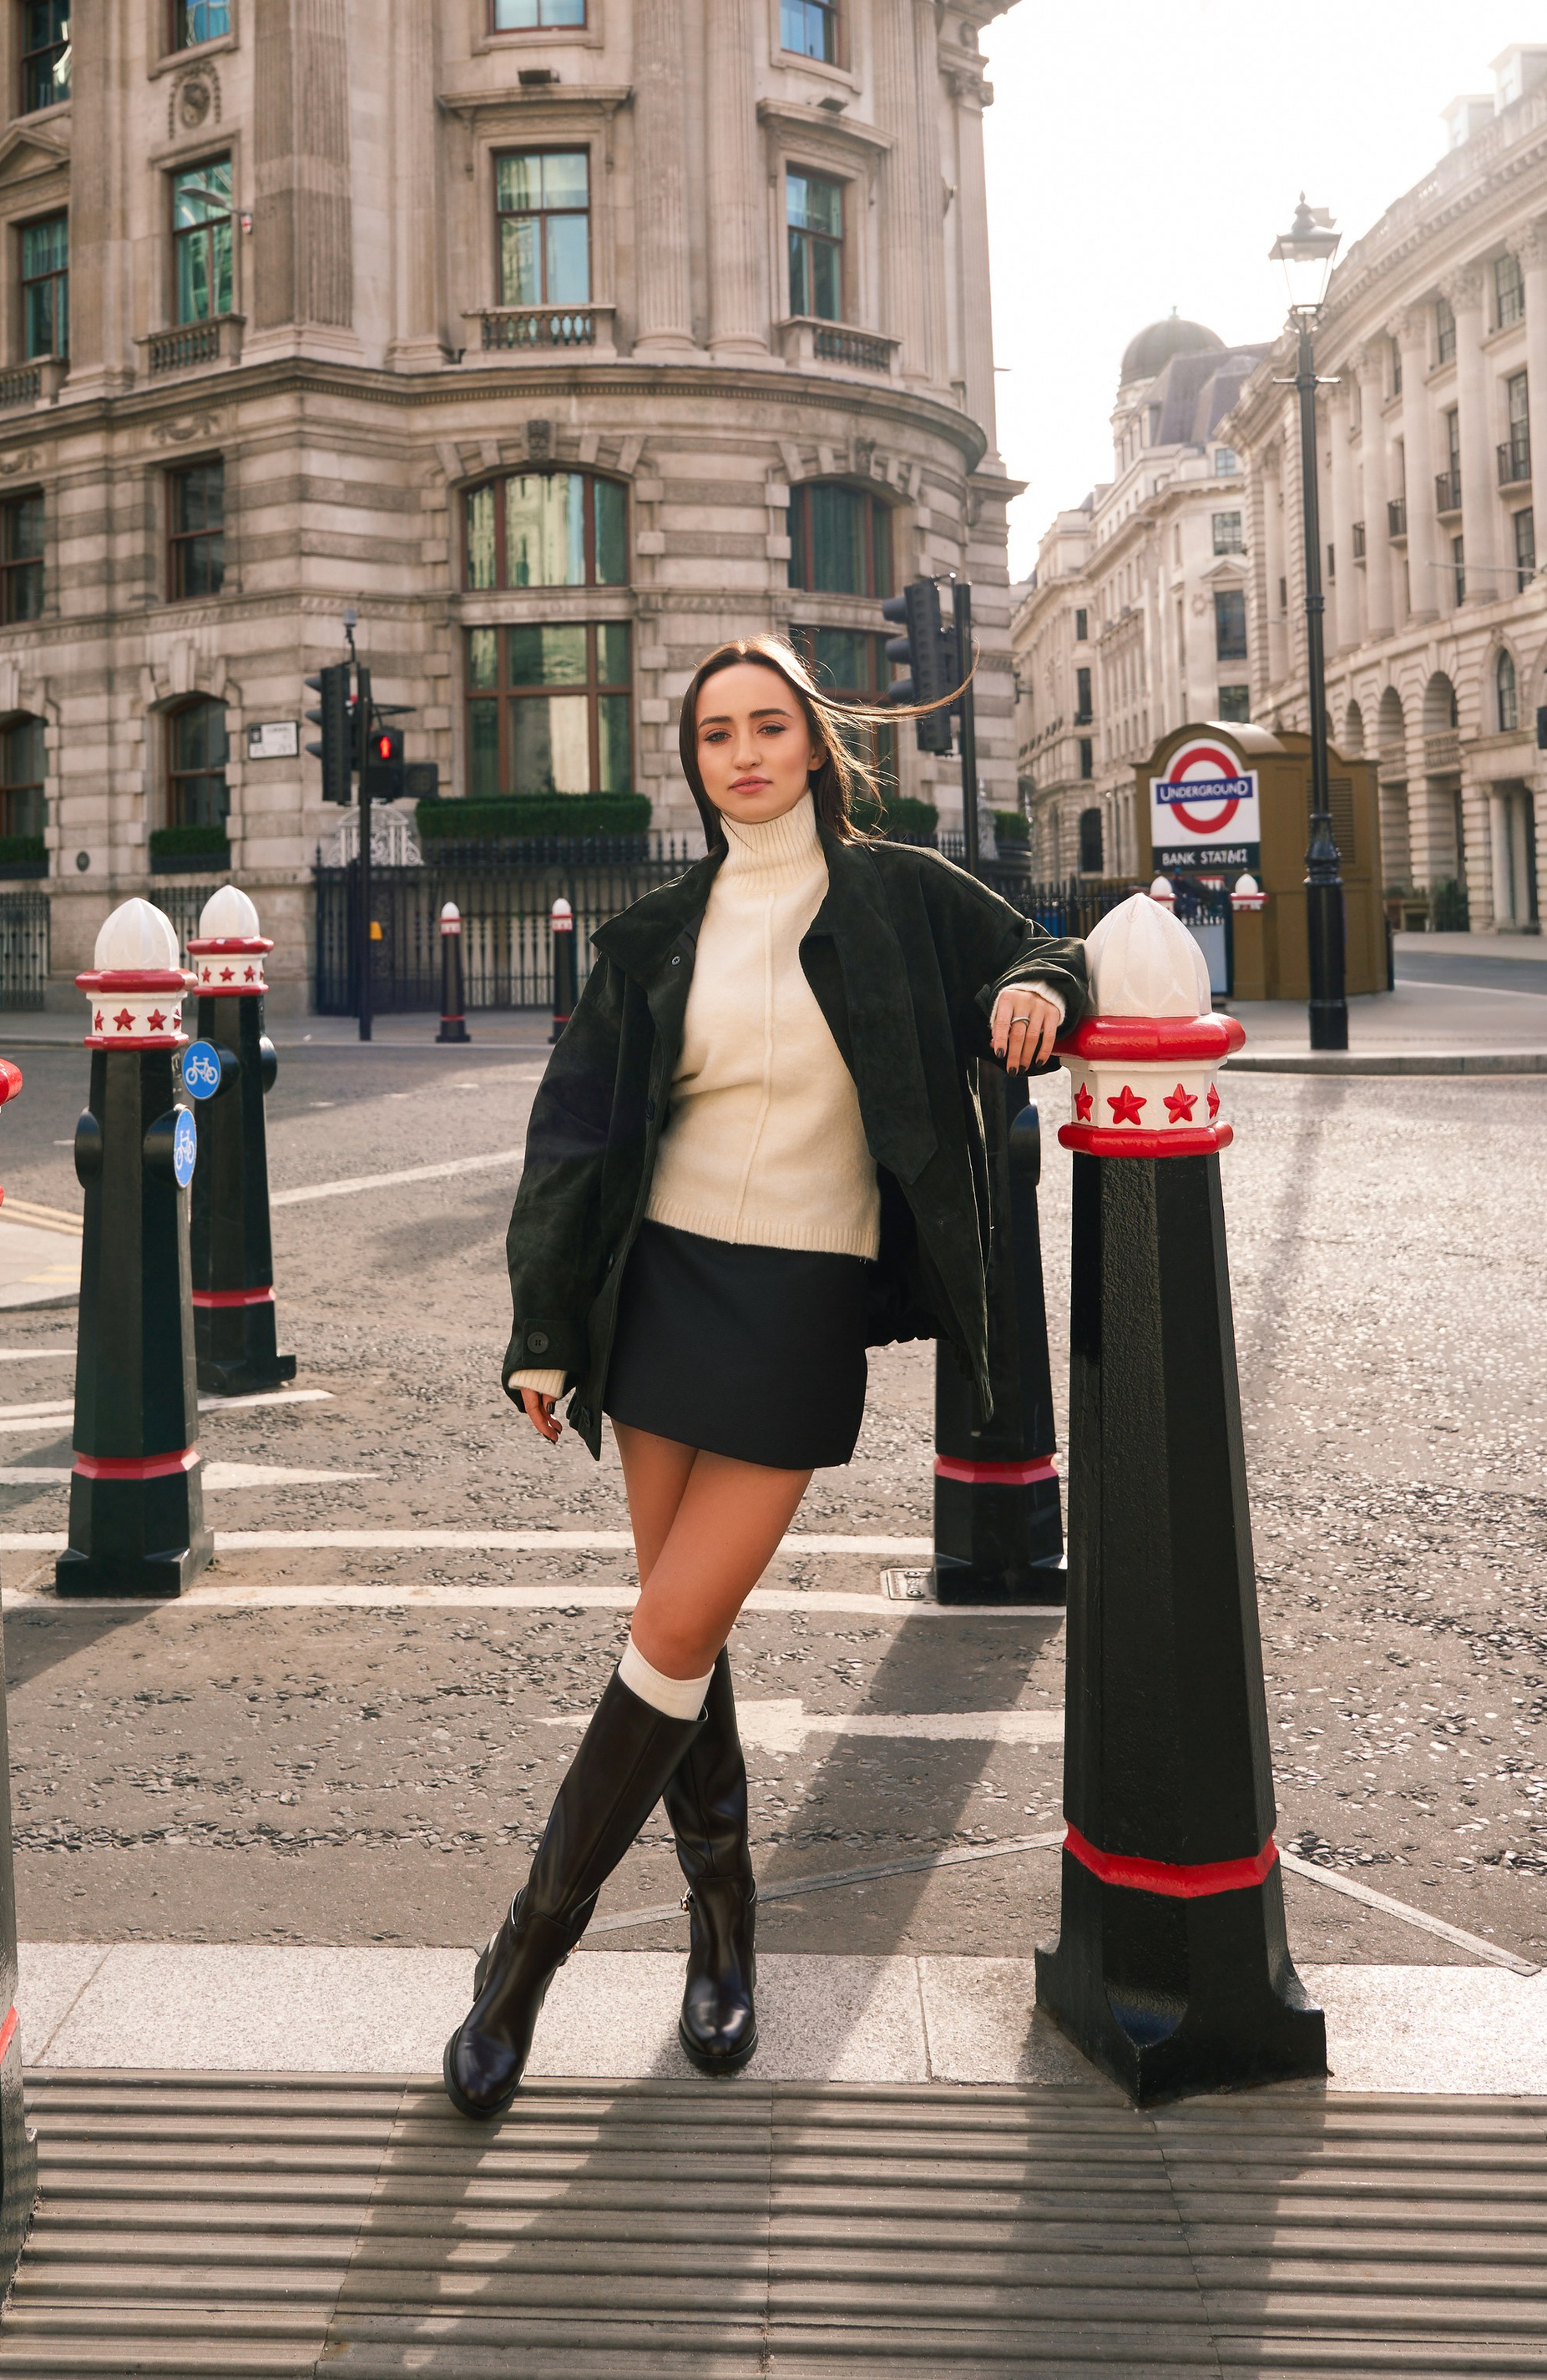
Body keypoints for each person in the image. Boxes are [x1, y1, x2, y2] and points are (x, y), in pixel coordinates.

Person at [442, 633, 1089, 2119]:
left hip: (800, 1301)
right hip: (658, 1292)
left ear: (814, 746)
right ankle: (725, 1930)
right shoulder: (657, 929)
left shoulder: (903, 893)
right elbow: (576, 1134)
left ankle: (524, 1964)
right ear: (697, 758)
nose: (743, 751)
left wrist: (1045, 988)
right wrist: (544, 1327)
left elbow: (1053, 941)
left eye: (769, 726)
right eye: (717, 731)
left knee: (676, 1622)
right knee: (682, 1642)